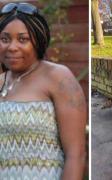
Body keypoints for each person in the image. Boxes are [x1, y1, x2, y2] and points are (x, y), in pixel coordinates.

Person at [0, 2, 87, 180]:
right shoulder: (1, 81)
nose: (12, 47)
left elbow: (76, 155)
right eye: (5, 39)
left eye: (22, 39)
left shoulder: (58, 78)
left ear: (38, 40)